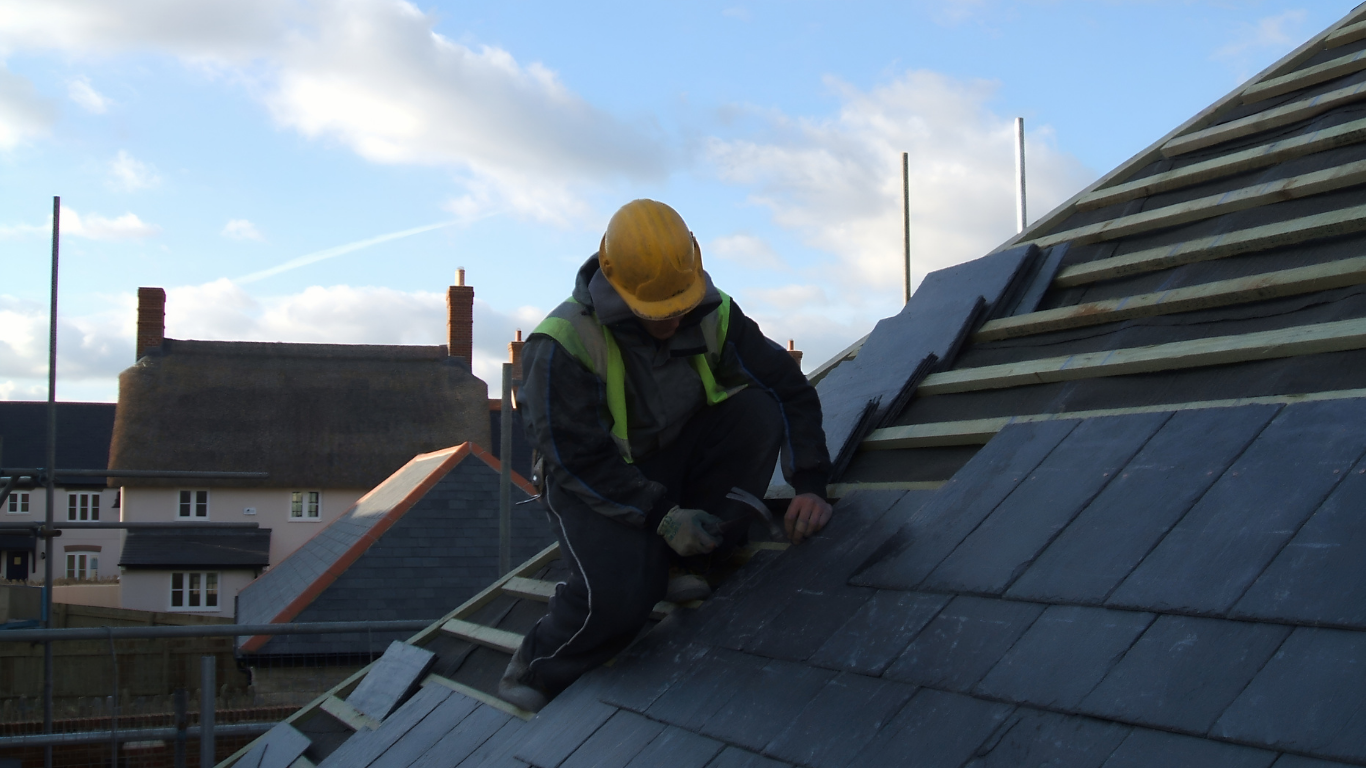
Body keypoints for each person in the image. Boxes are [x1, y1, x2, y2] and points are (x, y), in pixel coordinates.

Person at [498, 199, 832, 712]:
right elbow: (575, 457)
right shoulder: (563, 342)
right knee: (622, 599)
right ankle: (539, 664)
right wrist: (661, 515)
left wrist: (810, 482)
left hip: (673, 461)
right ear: (616, 288)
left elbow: (787, 390)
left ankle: (688, 561)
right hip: (595, 485)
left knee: (756, 409)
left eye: (680, 306)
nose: (674, 320)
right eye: (659, 312)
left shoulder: (714, 312)